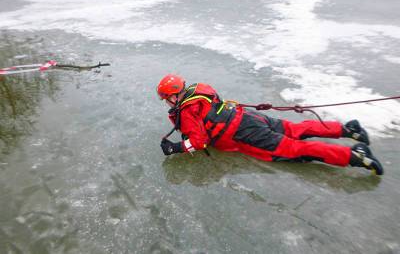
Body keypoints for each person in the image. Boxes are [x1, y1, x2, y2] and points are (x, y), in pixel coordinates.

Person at [157, 74, 384, 175]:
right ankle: (347, 129)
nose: (166, 103)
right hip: (248, 116)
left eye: (166, 98)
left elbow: (199, 141)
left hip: (245, 132)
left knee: (296, 149)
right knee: (296, 129)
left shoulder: (186, 112)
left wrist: (175, 148)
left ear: (173, 96)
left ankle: (355, 156)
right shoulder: (199, 89)